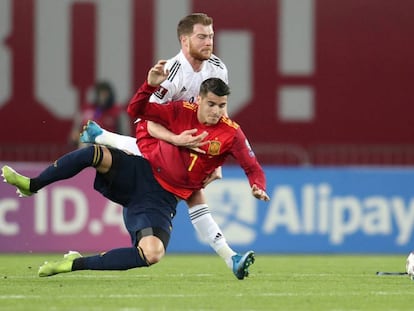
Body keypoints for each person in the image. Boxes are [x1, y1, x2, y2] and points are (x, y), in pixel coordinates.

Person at [1, 60, 269, 279]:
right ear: (199, 99)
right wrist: (148, 85)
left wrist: (257, 185)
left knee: (151, 254)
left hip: (161, 199)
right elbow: (137, 110)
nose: (217, 111)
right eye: (211, 104)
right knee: (93, 154)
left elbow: (252, 165)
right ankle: (32, 185)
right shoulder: (179, 111)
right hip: (142, 171)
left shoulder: (231, 134)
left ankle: (73, 264)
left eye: (222, 106)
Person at [80, 13, 248, 278]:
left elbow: (221, 116)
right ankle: (230, 257)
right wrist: (175, 139)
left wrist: (217, 162)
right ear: (184, 40)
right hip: (163, 133)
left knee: (194, 192)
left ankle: (102, 136)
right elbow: (145, 119)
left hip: (190, 140)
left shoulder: (218, 68)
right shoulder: (172, 73)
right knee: (194, 193)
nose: (209, 42)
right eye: (202, 36)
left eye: (211, 36)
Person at [69, 81, 130, 146]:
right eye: (101, 94)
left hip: (108, 148)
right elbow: (74, 134)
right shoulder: (85, 110)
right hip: (87, 147)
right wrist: (78, 137)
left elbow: (125, 136)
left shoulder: (118, 112)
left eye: (105, 94)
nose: (103, 97)